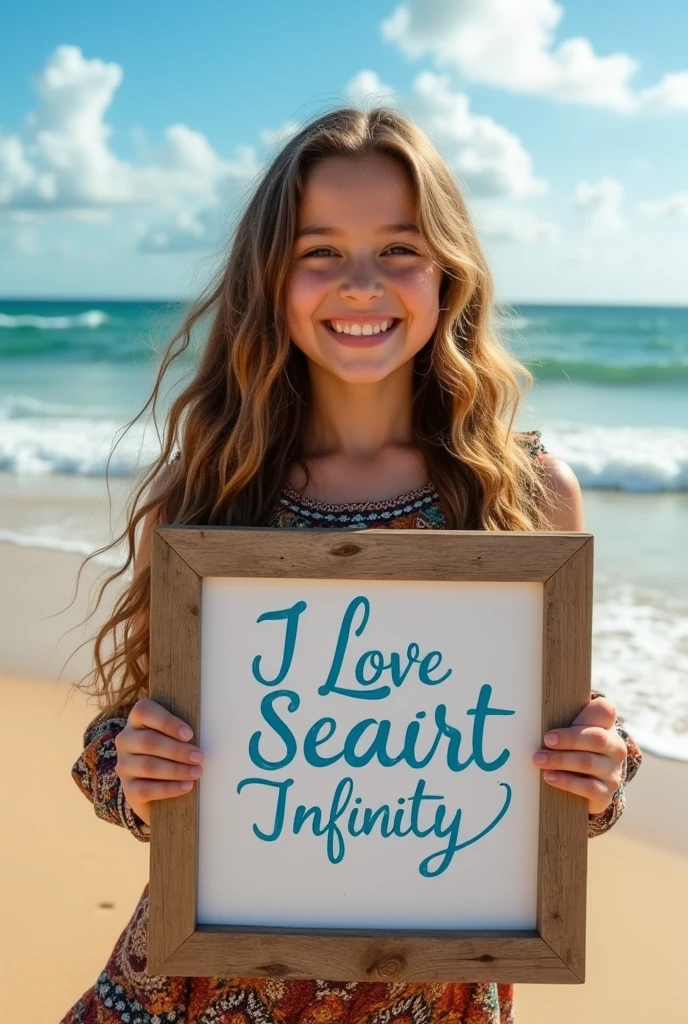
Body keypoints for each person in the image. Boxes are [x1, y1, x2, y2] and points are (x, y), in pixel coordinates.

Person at [60, 105, 642, 1024]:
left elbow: (555, 759)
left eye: (400, 249)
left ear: (448, 272)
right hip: (196, 992)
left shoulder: (525, 492)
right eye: (320, 251)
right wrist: (133, 769)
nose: (361, 285)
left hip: (432, 996)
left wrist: (600, 772)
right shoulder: (211, 481)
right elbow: (123, 738)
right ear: (271, 278)